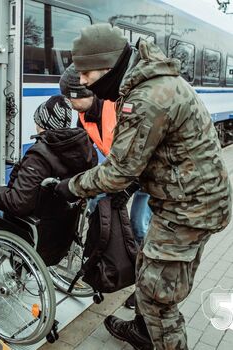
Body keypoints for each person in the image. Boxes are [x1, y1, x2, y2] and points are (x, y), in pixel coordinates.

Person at [55, 23, 232, 350]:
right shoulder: (148, 82)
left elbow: (118, 171)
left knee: (157, 297)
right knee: (151, 271)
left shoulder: (146, 98)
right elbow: (150, 153)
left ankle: (158, 336)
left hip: (189, 208)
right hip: (190, 199)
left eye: (86, 76)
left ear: (108, 67)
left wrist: (68, 187)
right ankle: (143, 330)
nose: (81, 83)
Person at [60, 64, 151, 308]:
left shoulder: (119, 108)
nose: (67, 103)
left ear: (83, 95)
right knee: (96, 207)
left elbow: (144, 153)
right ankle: (103, 263)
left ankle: (144, 291)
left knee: (139, 227)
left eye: (70, 97)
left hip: (148, 177)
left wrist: (128, 189)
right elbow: (83, 152)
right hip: (121, 173)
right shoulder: (82, 115)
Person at [0, 95, 97, 266]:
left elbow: (18, 203)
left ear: (43, 124)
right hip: (58, 234)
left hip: (31, 230)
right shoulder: (80, 152)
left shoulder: (40, 156)